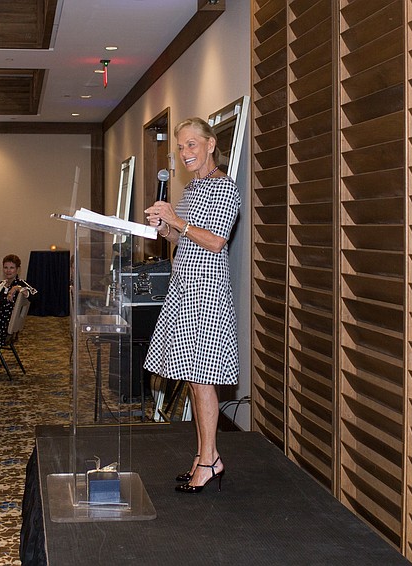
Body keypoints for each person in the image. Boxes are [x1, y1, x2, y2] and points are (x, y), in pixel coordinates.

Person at [143, 117, 240, 494]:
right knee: (195, 381)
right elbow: (182, 239)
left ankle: (210, 460)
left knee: (203, 383)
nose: (185, 153)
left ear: (211, 144)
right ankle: (206, 458)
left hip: (208, 296)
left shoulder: (224, 188)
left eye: (191, 145)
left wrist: (177, 222)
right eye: (180, 148)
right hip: (184, 291)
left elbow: (215, 242)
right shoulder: (192, 189)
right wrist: (162, 227)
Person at [0, 254, 36, 354]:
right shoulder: (1, 285)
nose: (8, 270)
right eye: (6, 267)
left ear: (18, 269)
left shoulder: (20, 283)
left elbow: (35, 296)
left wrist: (17, 288)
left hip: (0, 325)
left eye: (11, 268)